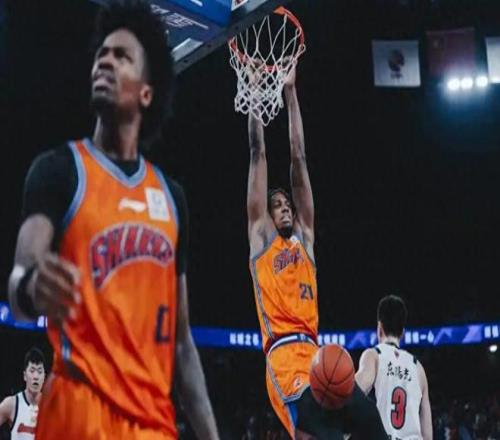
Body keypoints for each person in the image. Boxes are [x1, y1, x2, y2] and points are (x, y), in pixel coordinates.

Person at [7, 1, 218, 438]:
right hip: (80, 411)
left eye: (122, 56)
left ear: (146, 93)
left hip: (151, 420)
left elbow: (182, 343)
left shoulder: (171, 198)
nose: (105, 60)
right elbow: (20, 281)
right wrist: (32, 286)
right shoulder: (58, 171)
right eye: (102, 53)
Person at [246, 61, 387, 439]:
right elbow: (258, 153)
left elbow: (299, 157)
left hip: (317, 356)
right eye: (277, 205)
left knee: (372, 424)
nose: (285, 208)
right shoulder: (261, 240)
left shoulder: (304, 240)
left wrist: (290, 93)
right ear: (267, 216)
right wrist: (257, 93)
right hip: (284, 362)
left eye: (287, 204)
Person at [356, 294, 433, 440]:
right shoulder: (418, 368)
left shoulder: (374, 356)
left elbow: (353, 392)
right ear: (402, 333)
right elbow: (428, 435)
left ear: (379, 328)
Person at [0, 347, 46, 440]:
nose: (36, 376)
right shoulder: (12, 404)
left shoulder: (52, 407)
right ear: (25, 376)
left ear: (44, 377)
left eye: (39, 372)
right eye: (32, 371)